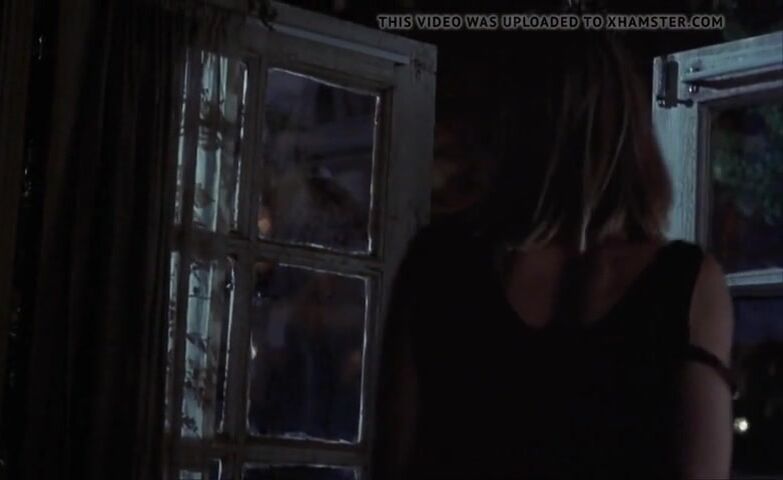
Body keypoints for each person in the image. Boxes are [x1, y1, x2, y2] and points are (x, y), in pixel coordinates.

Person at [371, 30, 735, 479]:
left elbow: (393, 461)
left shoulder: (438, 262)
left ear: (511, 129)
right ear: (628, 132)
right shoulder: (686, 283)